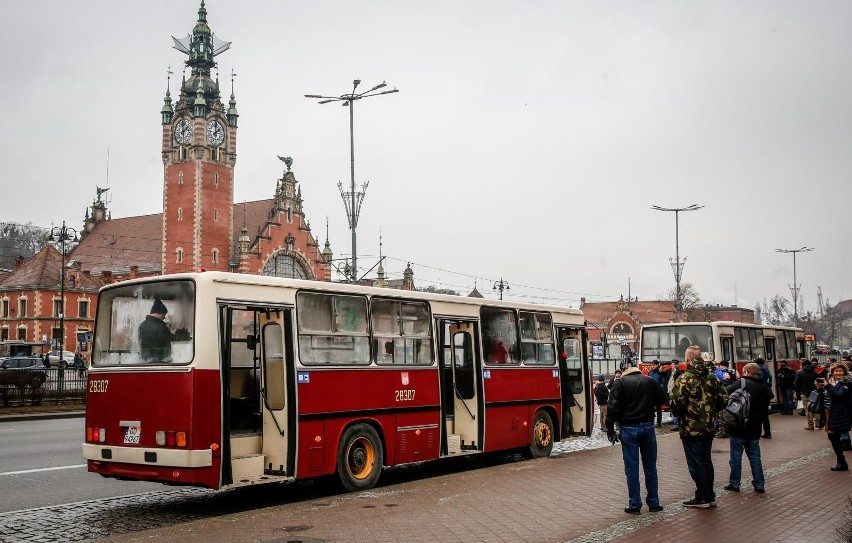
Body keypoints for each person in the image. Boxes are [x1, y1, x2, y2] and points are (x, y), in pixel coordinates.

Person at [669, 345, 729, 508]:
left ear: (687, 359)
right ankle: (709, 494)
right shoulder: (712, 377)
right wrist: (710, 411)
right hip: (709, 426)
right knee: (706, 460)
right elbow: (724, 398)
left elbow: (676, 404)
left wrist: (682, 413)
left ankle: (703, 496)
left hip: (691, 427)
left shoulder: (685, 378)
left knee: (696, 463)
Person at [606, 365, 666, 514]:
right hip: (647, 426)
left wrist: (610, 428)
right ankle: (654, 502)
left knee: (632, 468)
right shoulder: (649, 381)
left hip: (628, 427)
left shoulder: (620, 383)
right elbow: (662, 398)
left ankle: (635, 504)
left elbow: (612, 407)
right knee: (650, 467)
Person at [723, 362, 773, 493]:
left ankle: (734, 483)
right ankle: (759, 484)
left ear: (746, 372)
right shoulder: (764, 386)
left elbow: (725, 392)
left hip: (738, 425)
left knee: (736, 457)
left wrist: (727, 381)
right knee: (755, 457)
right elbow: (770, 396)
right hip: (755, 427)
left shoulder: (742, 383)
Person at [823, 363, 851, 471]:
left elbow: (839, 395)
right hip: (830, 413)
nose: (838, 373)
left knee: (833, 435)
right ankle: (841, 461)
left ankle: (841, 462)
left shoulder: (847, 383)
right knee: (832, 435)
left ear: (844, 372)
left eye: (840, 371)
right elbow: (829, 395)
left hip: (841, 413)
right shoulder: (832, 382)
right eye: (836, 371)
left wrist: (828, 386)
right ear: (832, 372)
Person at [794, 360, 820, 429]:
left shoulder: (800, 372)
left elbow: (797, 383)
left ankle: (810, 425)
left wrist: (798, 392)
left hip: (804, 392)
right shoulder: (815, 371)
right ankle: (817, 423)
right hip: (815, 392)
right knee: (816, 408)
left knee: (807, 409)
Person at [755, 358, 773, 439]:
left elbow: (760, 379)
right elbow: (770, 379)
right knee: (765, 416)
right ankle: (767, 433)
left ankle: (762, 433)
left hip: (760, 394)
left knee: (759, 415)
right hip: (766, 393)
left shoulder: (759, 369)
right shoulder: (766, 369)